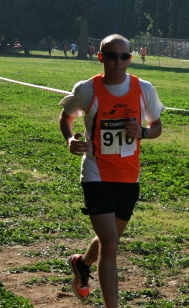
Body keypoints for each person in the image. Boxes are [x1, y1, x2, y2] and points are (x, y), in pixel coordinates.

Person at [59, 34, 164, 308]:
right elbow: (66, 116)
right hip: (96, 173)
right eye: (112, 56)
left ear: (131, 58)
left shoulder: (144, 89)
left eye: (124, 56)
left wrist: (142, 131)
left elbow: (157, 127)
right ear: (101, 57)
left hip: (129, 175)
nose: (118, 62)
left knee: (111, 240)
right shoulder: (87, 89)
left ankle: (82, 264)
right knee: (111, 244)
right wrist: (70, 139)